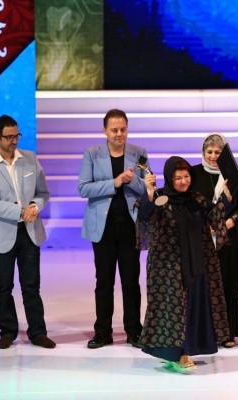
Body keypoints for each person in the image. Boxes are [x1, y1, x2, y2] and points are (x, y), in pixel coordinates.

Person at [138, 156, 231, 372]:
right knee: (172, 310)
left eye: (186, 176)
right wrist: (149, 193)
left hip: (195, 263)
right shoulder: (160, 198)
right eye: (178, 178)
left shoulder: (196, 199)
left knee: (191, 307)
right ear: (170, 179)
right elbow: (144, 217)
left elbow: (214, 215)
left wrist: (225, 199)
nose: (183, 181)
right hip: (168, 267)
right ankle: (177, 354)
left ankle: (185, 349)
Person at [0, 115, 55, 350]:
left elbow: (43, 193)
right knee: (3, 286)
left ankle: (38, 332)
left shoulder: (29, 158)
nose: (14, 141)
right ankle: (7, 331)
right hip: (2, 233)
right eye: (9, 137)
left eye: (16, 136)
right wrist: (21, 212)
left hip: (30, 231)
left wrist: (34, 208)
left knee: (31, 286)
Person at [78, 109, 146, 349]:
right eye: (114, 130)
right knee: (104, 281)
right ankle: (103, 332)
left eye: (123, 129)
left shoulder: (139, 153)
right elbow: (83, 188)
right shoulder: (92, 154)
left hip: (130, 225)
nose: (119, 134)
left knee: (131, 281)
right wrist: (115, 182)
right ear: (105, 131)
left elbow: (146, 189)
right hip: (103, 227)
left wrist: (133, 180)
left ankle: (134, 331)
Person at [191, 133, 238, 348]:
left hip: (228, 238)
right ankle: (203, 332)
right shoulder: (193, 173)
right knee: (203, 283)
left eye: (218, 152)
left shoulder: (235, 174)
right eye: (209, 152)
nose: (213, 156)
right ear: (203, 152)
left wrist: (228, 223)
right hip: (202, 237)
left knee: (227, 281)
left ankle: (227, 333)